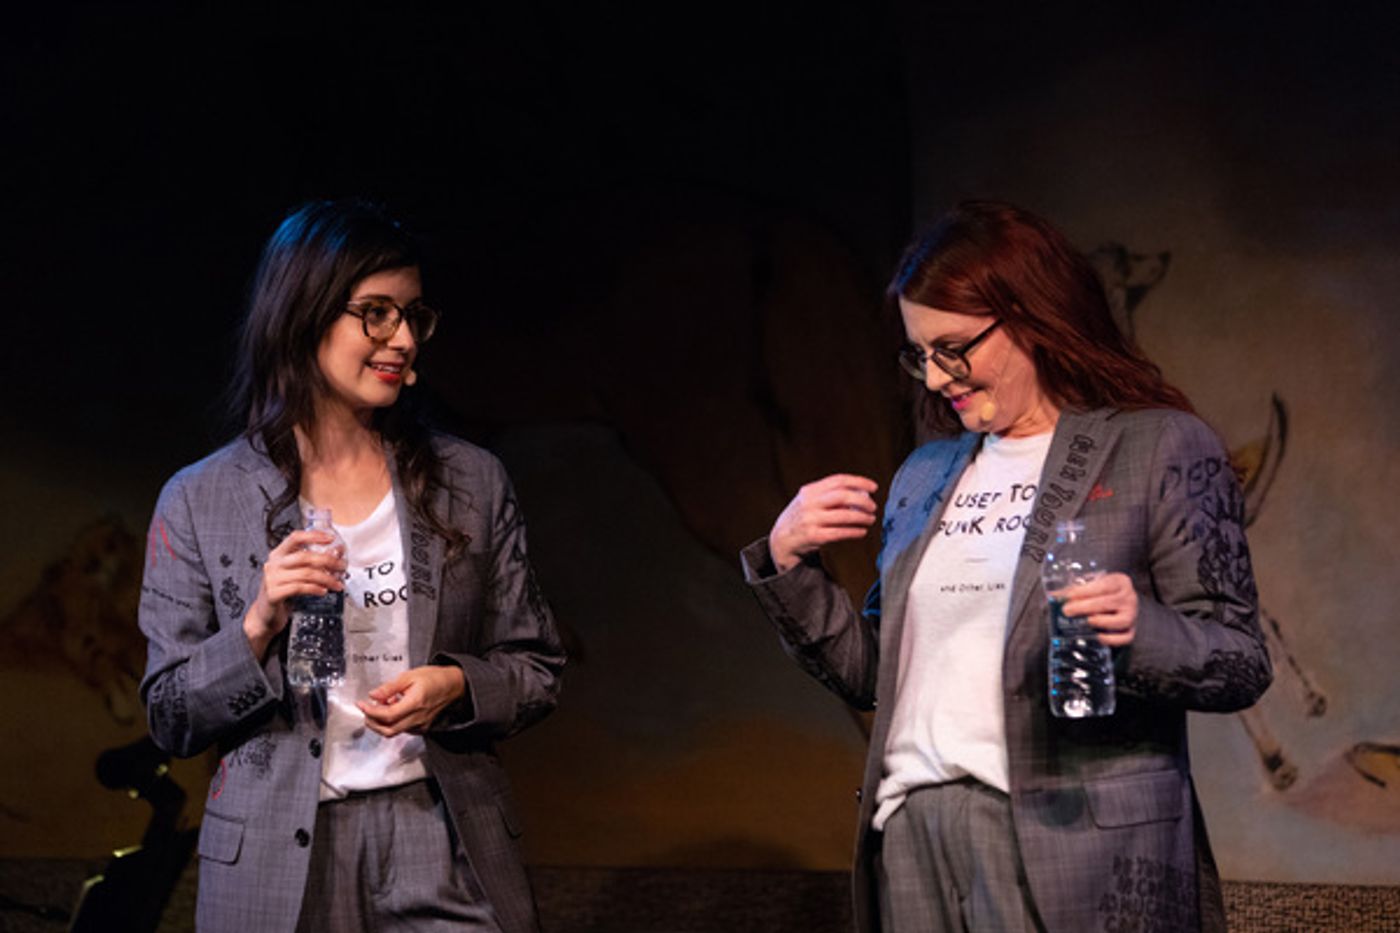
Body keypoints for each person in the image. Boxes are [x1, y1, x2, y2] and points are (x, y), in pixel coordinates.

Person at [740, 200, 1271, 933]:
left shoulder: (1159, 447)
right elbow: (873, 675)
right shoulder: (926, 474)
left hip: (1069, 837)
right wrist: (787, 562)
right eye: (919, 354)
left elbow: (1240, 659)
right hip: (915, 827)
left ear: (1034, 317)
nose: (934, 377)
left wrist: (1139, 627)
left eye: (954, 348)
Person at [139, 200, 565, 933]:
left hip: (439, 834)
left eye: (413, 316)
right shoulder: (200, 498)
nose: (401, 339)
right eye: (376, 313)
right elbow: (170, 714)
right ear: (303, 315)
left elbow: (537, 666)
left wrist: (458, 684)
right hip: (278, 857)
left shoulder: (469, 479)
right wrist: (258, 624)